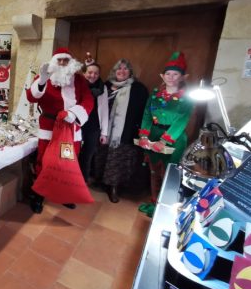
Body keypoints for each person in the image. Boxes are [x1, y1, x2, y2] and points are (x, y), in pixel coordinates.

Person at [25, 47, 94, 213]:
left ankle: (65, 194)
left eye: (66, 60)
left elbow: (88, 100)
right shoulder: (44, 76)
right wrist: (41, 80)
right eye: (59, 60)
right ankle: (38, 195)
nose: (62, 63)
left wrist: (74, 113)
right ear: (53, 61)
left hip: (70, 131)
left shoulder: (78, 80)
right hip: (48, 129)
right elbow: (31, 97)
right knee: (43, 162)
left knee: (67, 162)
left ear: (71, 63)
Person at [138, 52, 193, 213]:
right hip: (153, 135)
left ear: (183, 77)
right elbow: (147, 115)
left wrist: (164, 141)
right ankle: (154, 202)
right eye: (168, 74)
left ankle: (165, 207)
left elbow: (182, 120)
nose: (171, 77)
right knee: (154, 171)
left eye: (175, 74)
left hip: (174, 140)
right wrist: (144, 135)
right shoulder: (155, 94)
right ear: (162, 76)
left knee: (169, 174)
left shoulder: (187, 98)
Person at [94, 59, 148, 203]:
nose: (122, 71)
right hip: (104, 130)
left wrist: (140, 132)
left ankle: (114, 188)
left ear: (130, 72)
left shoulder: (138, 89)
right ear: (114, 71)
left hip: (124, 132)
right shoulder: (105, 86)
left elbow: (143, 112)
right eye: (119, 69)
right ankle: (101, 181)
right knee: (102, 157)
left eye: (125, 69)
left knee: (117, 161)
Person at [78, 61, 109, 184]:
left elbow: (105, 109)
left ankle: (83, 181)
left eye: (96, 73)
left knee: (88, 154)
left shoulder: (103, 87)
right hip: (78, 124)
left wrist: (104, 133)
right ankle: (72, 179)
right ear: (84, 73)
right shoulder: (78, 85)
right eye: (90, 72)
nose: (93, 75)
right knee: (74, 153)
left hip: (94, 125)